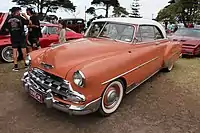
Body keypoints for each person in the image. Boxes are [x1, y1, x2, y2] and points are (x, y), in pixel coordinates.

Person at [5, 7, 31, 71]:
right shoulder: (20, 18)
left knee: (14, 51)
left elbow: (6, 29)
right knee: (23, 51)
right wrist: (25, 16)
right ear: (16, 11)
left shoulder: (8, 19)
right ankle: (26, 65)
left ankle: (15, 66)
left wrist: (12, 31)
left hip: (13, 37)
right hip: (21, 37)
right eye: (19, 11)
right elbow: (29, 22)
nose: (19, 12)